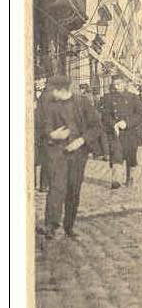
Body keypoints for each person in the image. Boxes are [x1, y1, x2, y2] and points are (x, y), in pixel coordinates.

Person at [36, 76, 101, 239]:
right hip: (58, 153)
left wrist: (81, 141)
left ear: (62, 90)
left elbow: (96, 127)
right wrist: (52, 135)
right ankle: (51, 225)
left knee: (73, 190)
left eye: (52, 91)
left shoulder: (82, 103)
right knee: (56, 188)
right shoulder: (50, 106)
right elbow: (42, 128)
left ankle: (69, 226)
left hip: (78, 154)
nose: (50, 94)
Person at [102, 75, 142, 189]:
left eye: (119, 84)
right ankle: (116, 180)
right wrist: (113, 124)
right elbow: (105, 115)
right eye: (115, 85)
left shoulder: (133, 98)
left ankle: (130, 179)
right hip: (115, 133)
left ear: (125, 85)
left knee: (131, 157)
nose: (117, 87)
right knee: (116, 155)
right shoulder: (108, 98)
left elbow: (140, 115)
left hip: (131, 132)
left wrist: (127, 123)